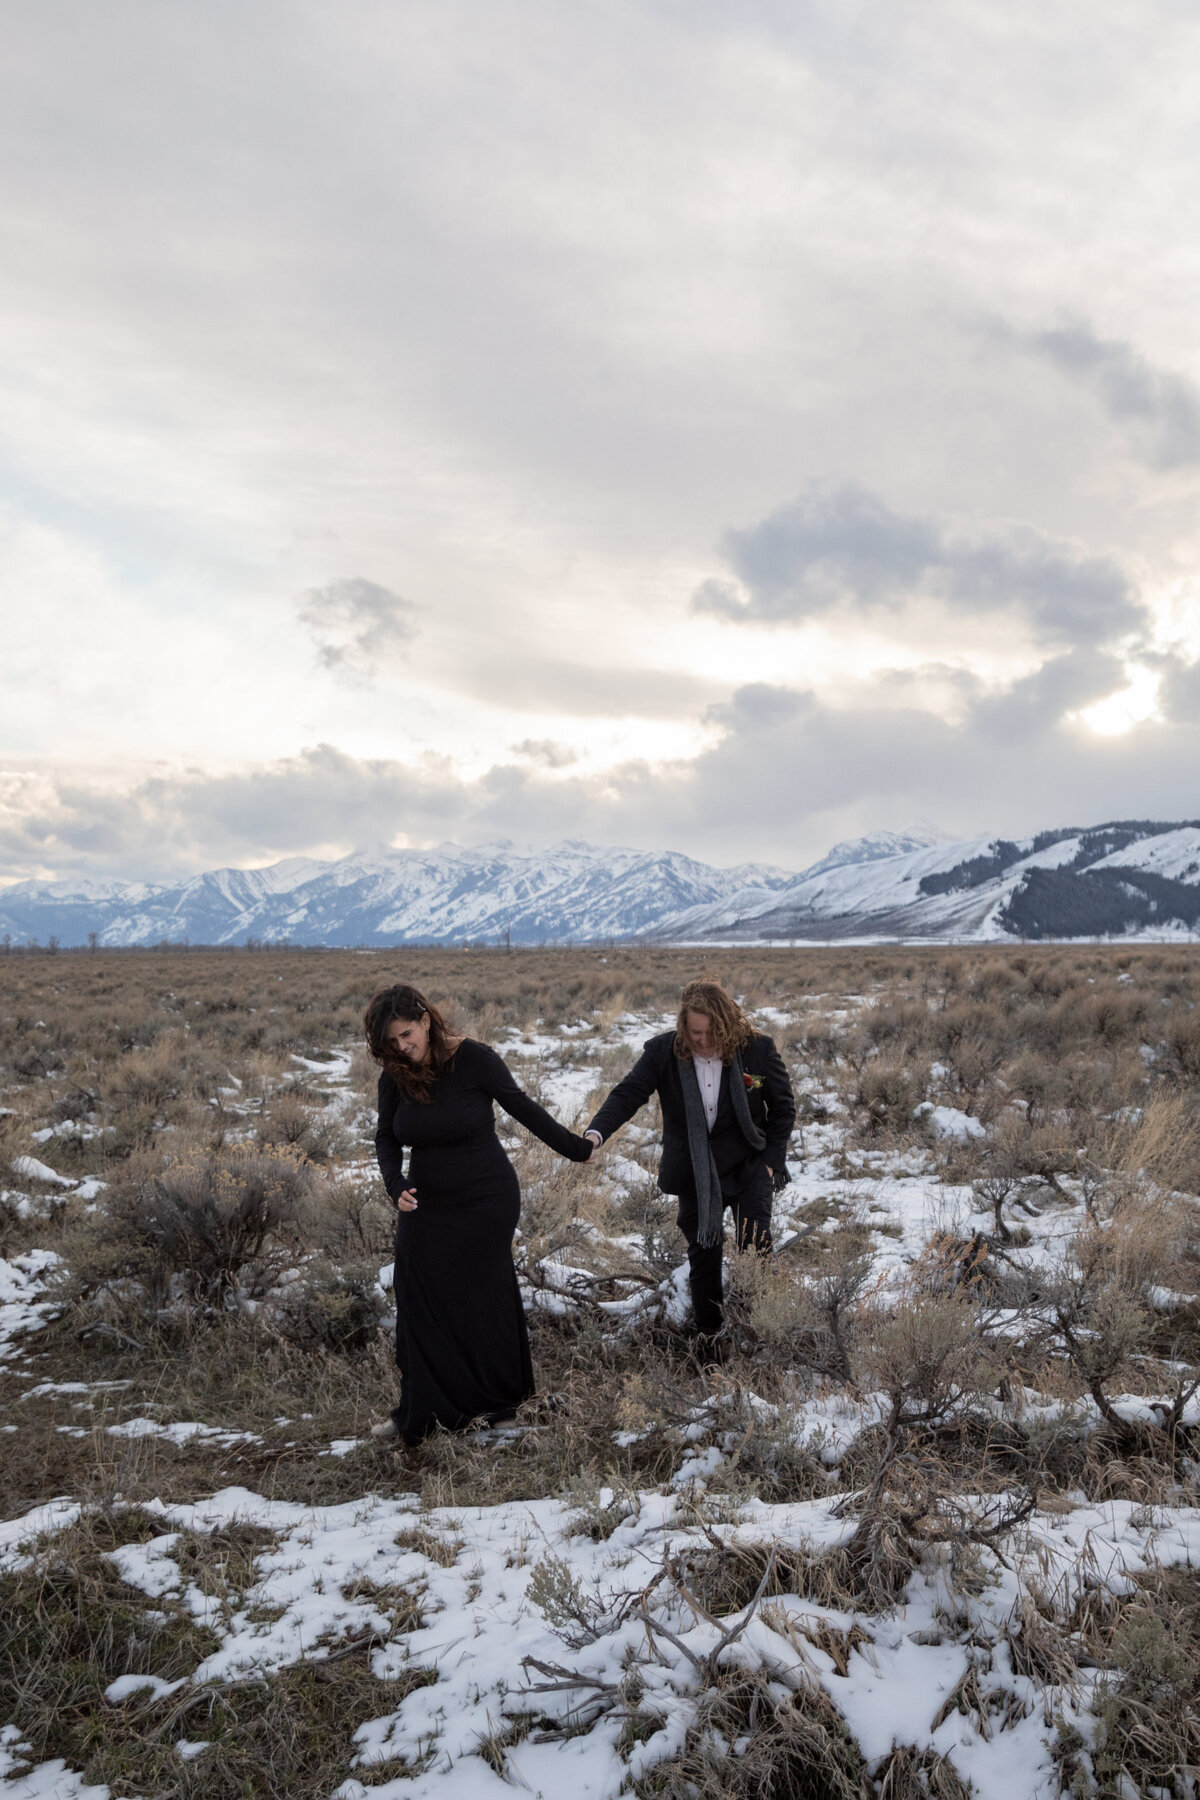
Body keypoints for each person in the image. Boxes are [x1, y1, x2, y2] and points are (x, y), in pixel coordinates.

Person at [367, 983, 593, 1445]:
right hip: (426, 1201)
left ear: (426, 1020)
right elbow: (387, 1139)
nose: (402, 1047)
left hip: (485, 1198)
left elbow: (523, 1108)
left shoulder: (475, 1060)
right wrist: (395, 1186)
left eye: (406, 1034)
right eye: (391, 1042)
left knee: (484, 1298)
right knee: (417, 1298)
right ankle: (419, 1408)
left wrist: (577, 1148)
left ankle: (501, 1408)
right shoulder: (395, 1075)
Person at [584, 979, 795, 1356]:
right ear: (684, 1026)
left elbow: (783, 1109)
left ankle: (761, 1336)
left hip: (748, 1164)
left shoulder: (757, 1050)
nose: (701, 1040)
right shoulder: (665, 1051)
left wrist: (770, 1163)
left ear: (726, 1023)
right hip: (695, 1171)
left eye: (710, 1032)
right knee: (703, 1255)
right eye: (694, 1031)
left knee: (756, 1248)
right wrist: (596, 1133)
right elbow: (629, 1093)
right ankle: (711, 1343)